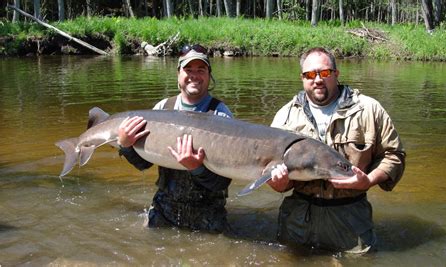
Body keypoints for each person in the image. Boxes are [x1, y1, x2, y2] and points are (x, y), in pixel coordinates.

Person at [267, 47, 406, 253]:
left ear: (336, 74)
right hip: (298, 216)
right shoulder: (285, 116)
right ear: (302, 78)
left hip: (351, 218)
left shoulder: (368, 109)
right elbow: (271, 171)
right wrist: (277, 184)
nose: (318, 80)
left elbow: (394, 155)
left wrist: (368, 180)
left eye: (324, 73)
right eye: (310, 75)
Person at [117, 44, 233, 233]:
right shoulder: (162, 108)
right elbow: (143, 164)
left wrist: (196, 169)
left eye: (201, 70)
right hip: (164, 209)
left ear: (209, 75)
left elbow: (222, 182)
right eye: (188, 69)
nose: (194, 75)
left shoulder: (221, 115)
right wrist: (126, 146)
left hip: (208, 213)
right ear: (178, 74)